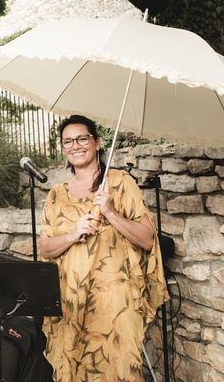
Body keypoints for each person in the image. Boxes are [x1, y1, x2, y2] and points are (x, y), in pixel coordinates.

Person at [37, 114, 168, 382]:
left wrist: (110, 212)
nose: (75, 146)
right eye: (68, 141)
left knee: (120, 366)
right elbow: (46, 248)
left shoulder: (120, 183)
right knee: (74, 367)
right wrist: (73, 234)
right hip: (70, 298)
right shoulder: (56, 194)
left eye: (82, 139)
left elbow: (146, 238)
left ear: (97, 143)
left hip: (115, 298)